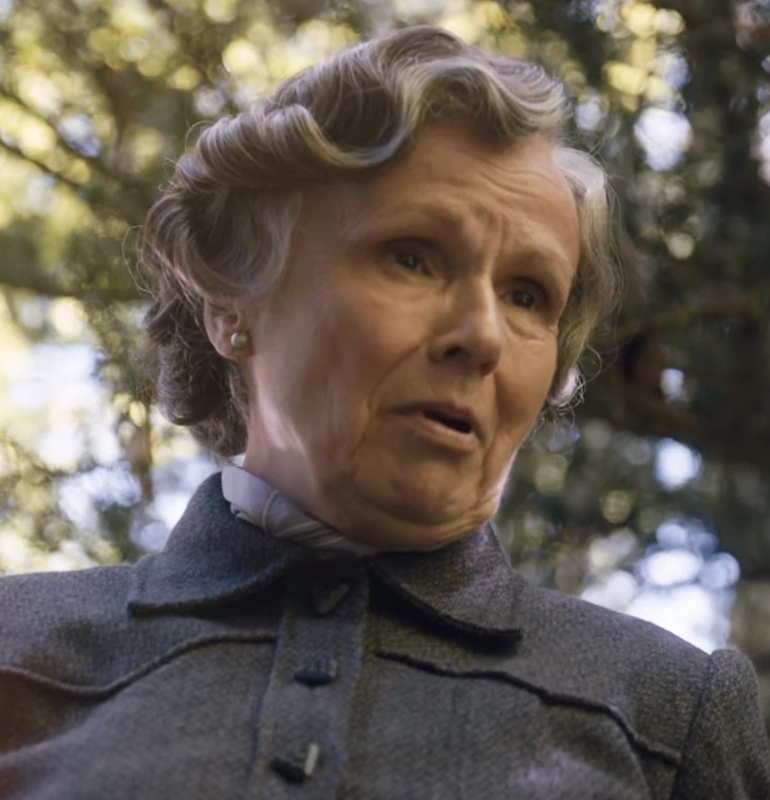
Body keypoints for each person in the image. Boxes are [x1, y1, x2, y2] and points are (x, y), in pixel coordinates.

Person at [0, 24, 768, 800]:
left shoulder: (673, 717)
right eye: (412, 257)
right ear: (233, 302)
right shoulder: (16, 644)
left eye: (526, 295)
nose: (482, 337)